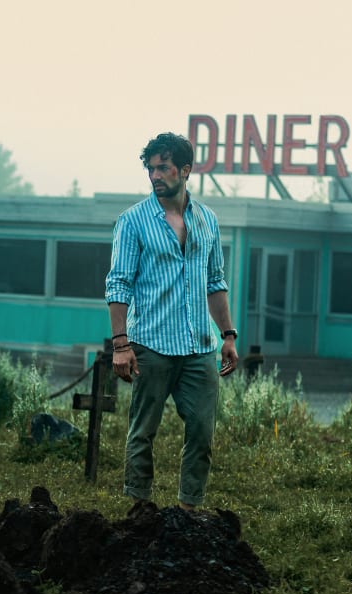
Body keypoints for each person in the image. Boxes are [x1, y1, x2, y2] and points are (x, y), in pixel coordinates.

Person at [104, 131, 239, 511]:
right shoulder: (133, 221)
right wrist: (120, 344)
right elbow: (118, 283)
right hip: (151, 344)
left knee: (202, 430)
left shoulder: (207, 220)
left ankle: (187, 513)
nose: (155, 176)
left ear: (185, 169)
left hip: (199, 346)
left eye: (163, 168)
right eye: (151, 169)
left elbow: (215, 281)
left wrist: (228, 335)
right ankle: (139, 512)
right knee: (142, 432)